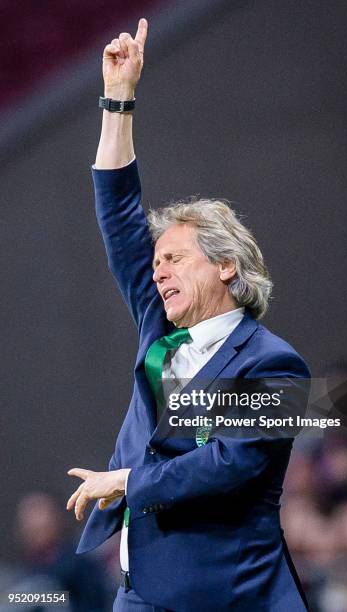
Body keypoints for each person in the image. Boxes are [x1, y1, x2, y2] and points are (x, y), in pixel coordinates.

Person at [67, 18, 311, 611]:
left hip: (227, 599)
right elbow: (119, 214)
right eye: (155, 264)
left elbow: (225, 465)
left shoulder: (277, 364)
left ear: (226, 265)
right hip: (138, 596)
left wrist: (125, 482)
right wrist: (117, 100)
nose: (158, 272)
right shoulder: (160, 327)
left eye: (174, 258)